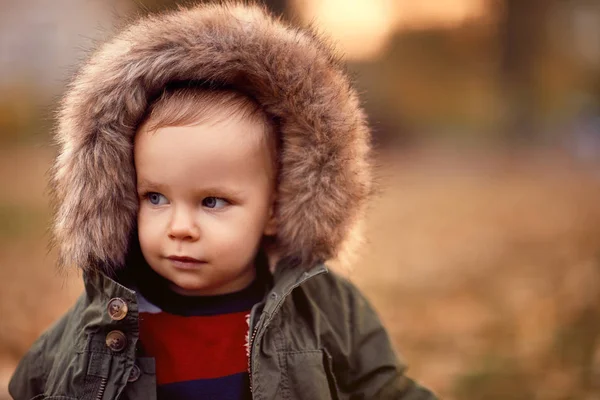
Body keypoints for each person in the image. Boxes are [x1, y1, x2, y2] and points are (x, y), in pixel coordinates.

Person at [9, 2, 438, 399]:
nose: (179, 227)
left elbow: (385, 389)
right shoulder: (107, 318)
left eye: (212, 202)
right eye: (155, 197)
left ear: (274, 210)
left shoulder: (321, 305)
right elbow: (34, 384)